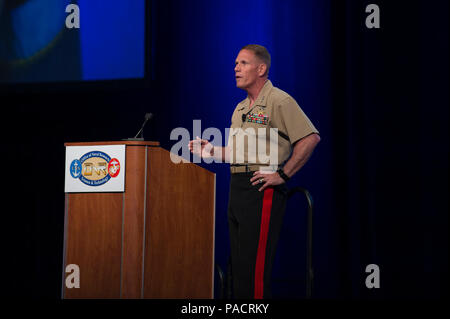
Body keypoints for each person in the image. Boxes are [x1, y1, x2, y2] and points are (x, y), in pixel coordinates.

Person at [189, 44, 320, 299]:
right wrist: (212, 151)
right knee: (239, 267)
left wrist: (282, 175)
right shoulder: (240, 108)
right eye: (235, 64)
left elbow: (310, 138)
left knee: (255, 268)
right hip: (237, 187)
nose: (236, 68)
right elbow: (241, 153)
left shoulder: (279, 100)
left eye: (243, 63)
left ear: (262, 69)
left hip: (262, 187)